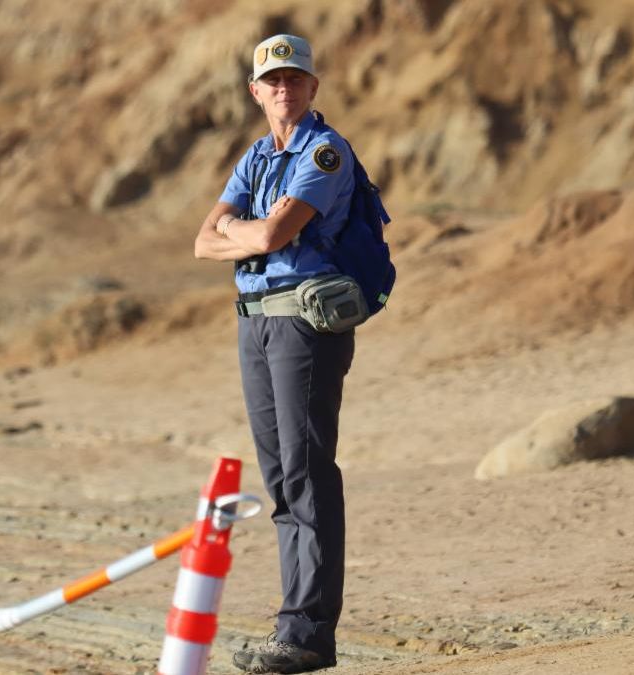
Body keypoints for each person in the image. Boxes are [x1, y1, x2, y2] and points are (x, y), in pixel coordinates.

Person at [194, 34, 357, 674]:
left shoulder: (323, 151)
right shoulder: (258, 157)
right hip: (255, 323)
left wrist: (236, 232)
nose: (285, 89)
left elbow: (267, 233)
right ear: (255, 92)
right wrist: (237, 234)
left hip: (303, 323)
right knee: (282, 478)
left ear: (313, 87)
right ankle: (296, 623)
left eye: (296, 79)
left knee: (308, 469)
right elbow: (200, 244)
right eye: (274, 80)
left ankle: (309, 631)